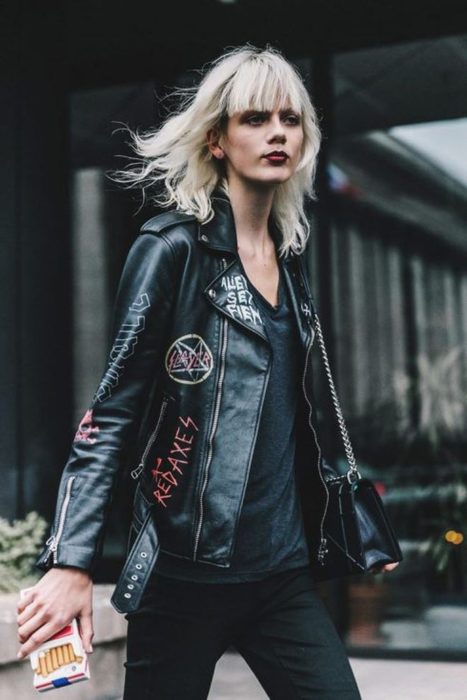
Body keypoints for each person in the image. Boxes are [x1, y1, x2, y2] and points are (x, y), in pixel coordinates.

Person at [17, 44, 397, 698]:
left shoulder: (291, 260)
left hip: (280, 577)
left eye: (289, 118)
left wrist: (347, 510)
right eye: (254, 118)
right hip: (183, 578)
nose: (277, 132)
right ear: (216, 139)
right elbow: (111, 413)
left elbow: (303, 413)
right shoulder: (171, 250)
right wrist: (71, 560)